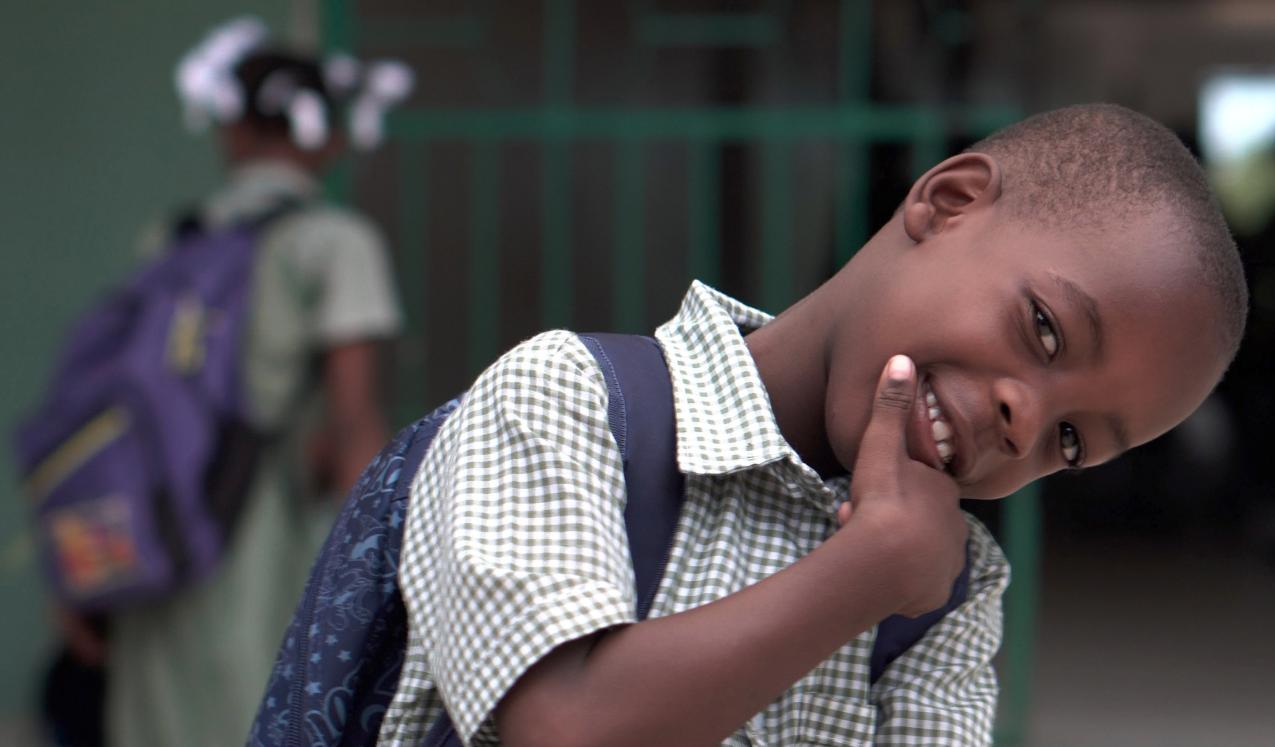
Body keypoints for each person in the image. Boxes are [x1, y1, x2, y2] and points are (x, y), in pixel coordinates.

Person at [373, 102, 1246, 746]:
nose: (1027, 421)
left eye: (1071, 440)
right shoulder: (569, 399)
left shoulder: (948, 594)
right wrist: (865, 572)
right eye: (1045, 329)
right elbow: (564, 729)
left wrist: (901, 576)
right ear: (946, 203)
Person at [93, 26, 406, 747]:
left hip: (158, 530)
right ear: (328, 138)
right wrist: (378, 575)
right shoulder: (334, 242)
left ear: (233, 131)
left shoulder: (171, 240)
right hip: (269, 536)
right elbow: (354, 414)